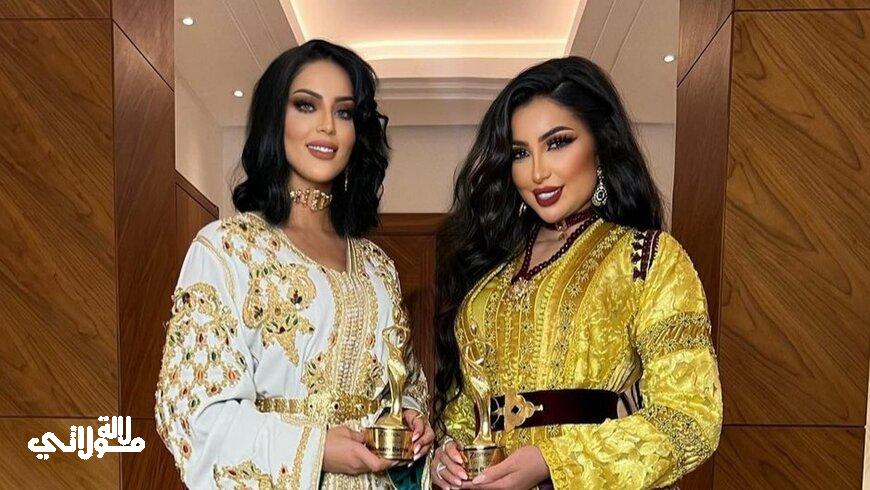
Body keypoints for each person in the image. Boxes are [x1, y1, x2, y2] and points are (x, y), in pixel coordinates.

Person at [430, 56, 722, 489]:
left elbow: (691, 419)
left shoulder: (645, 259)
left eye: (558, 143)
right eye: (520, 153)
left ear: (600, 145)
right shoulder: (487, 278)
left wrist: (553, 462)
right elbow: (465, 414)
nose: (537, 172)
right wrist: (445, 457)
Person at [155, 39, 434, 489]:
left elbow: (406, 382)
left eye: (344, 112)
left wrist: (410, 418)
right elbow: (191, 414)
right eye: (306, 105)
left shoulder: (377, 268)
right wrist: (317, 448)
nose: (327, 126)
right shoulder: (228, 250)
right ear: (275, 119)